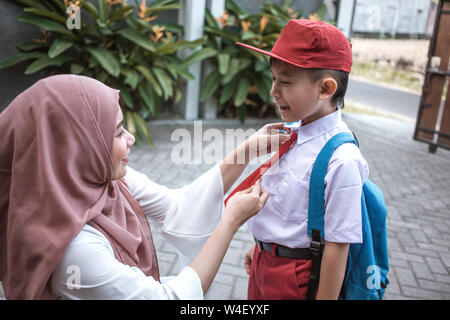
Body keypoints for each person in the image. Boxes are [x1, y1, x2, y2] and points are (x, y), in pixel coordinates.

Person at [0, 74, 290, 300]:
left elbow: (178, 206)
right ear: (76, 149)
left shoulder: (103, 180)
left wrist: (246, 152)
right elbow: (171, 297)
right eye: (117, 132)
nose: (131, 138)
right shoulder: (73, 251)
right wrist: (230, 222)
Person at [236, 19, 369, 300]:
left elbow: (338, 245)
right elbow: (286, 203)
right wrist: (263, 246)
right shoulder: (293, 133)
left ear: (325, 89)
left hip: (297, 277)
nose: (273, 91)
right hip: (265, 261)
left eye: (284, 82)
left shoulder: (342, 159)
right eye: (273, 79)